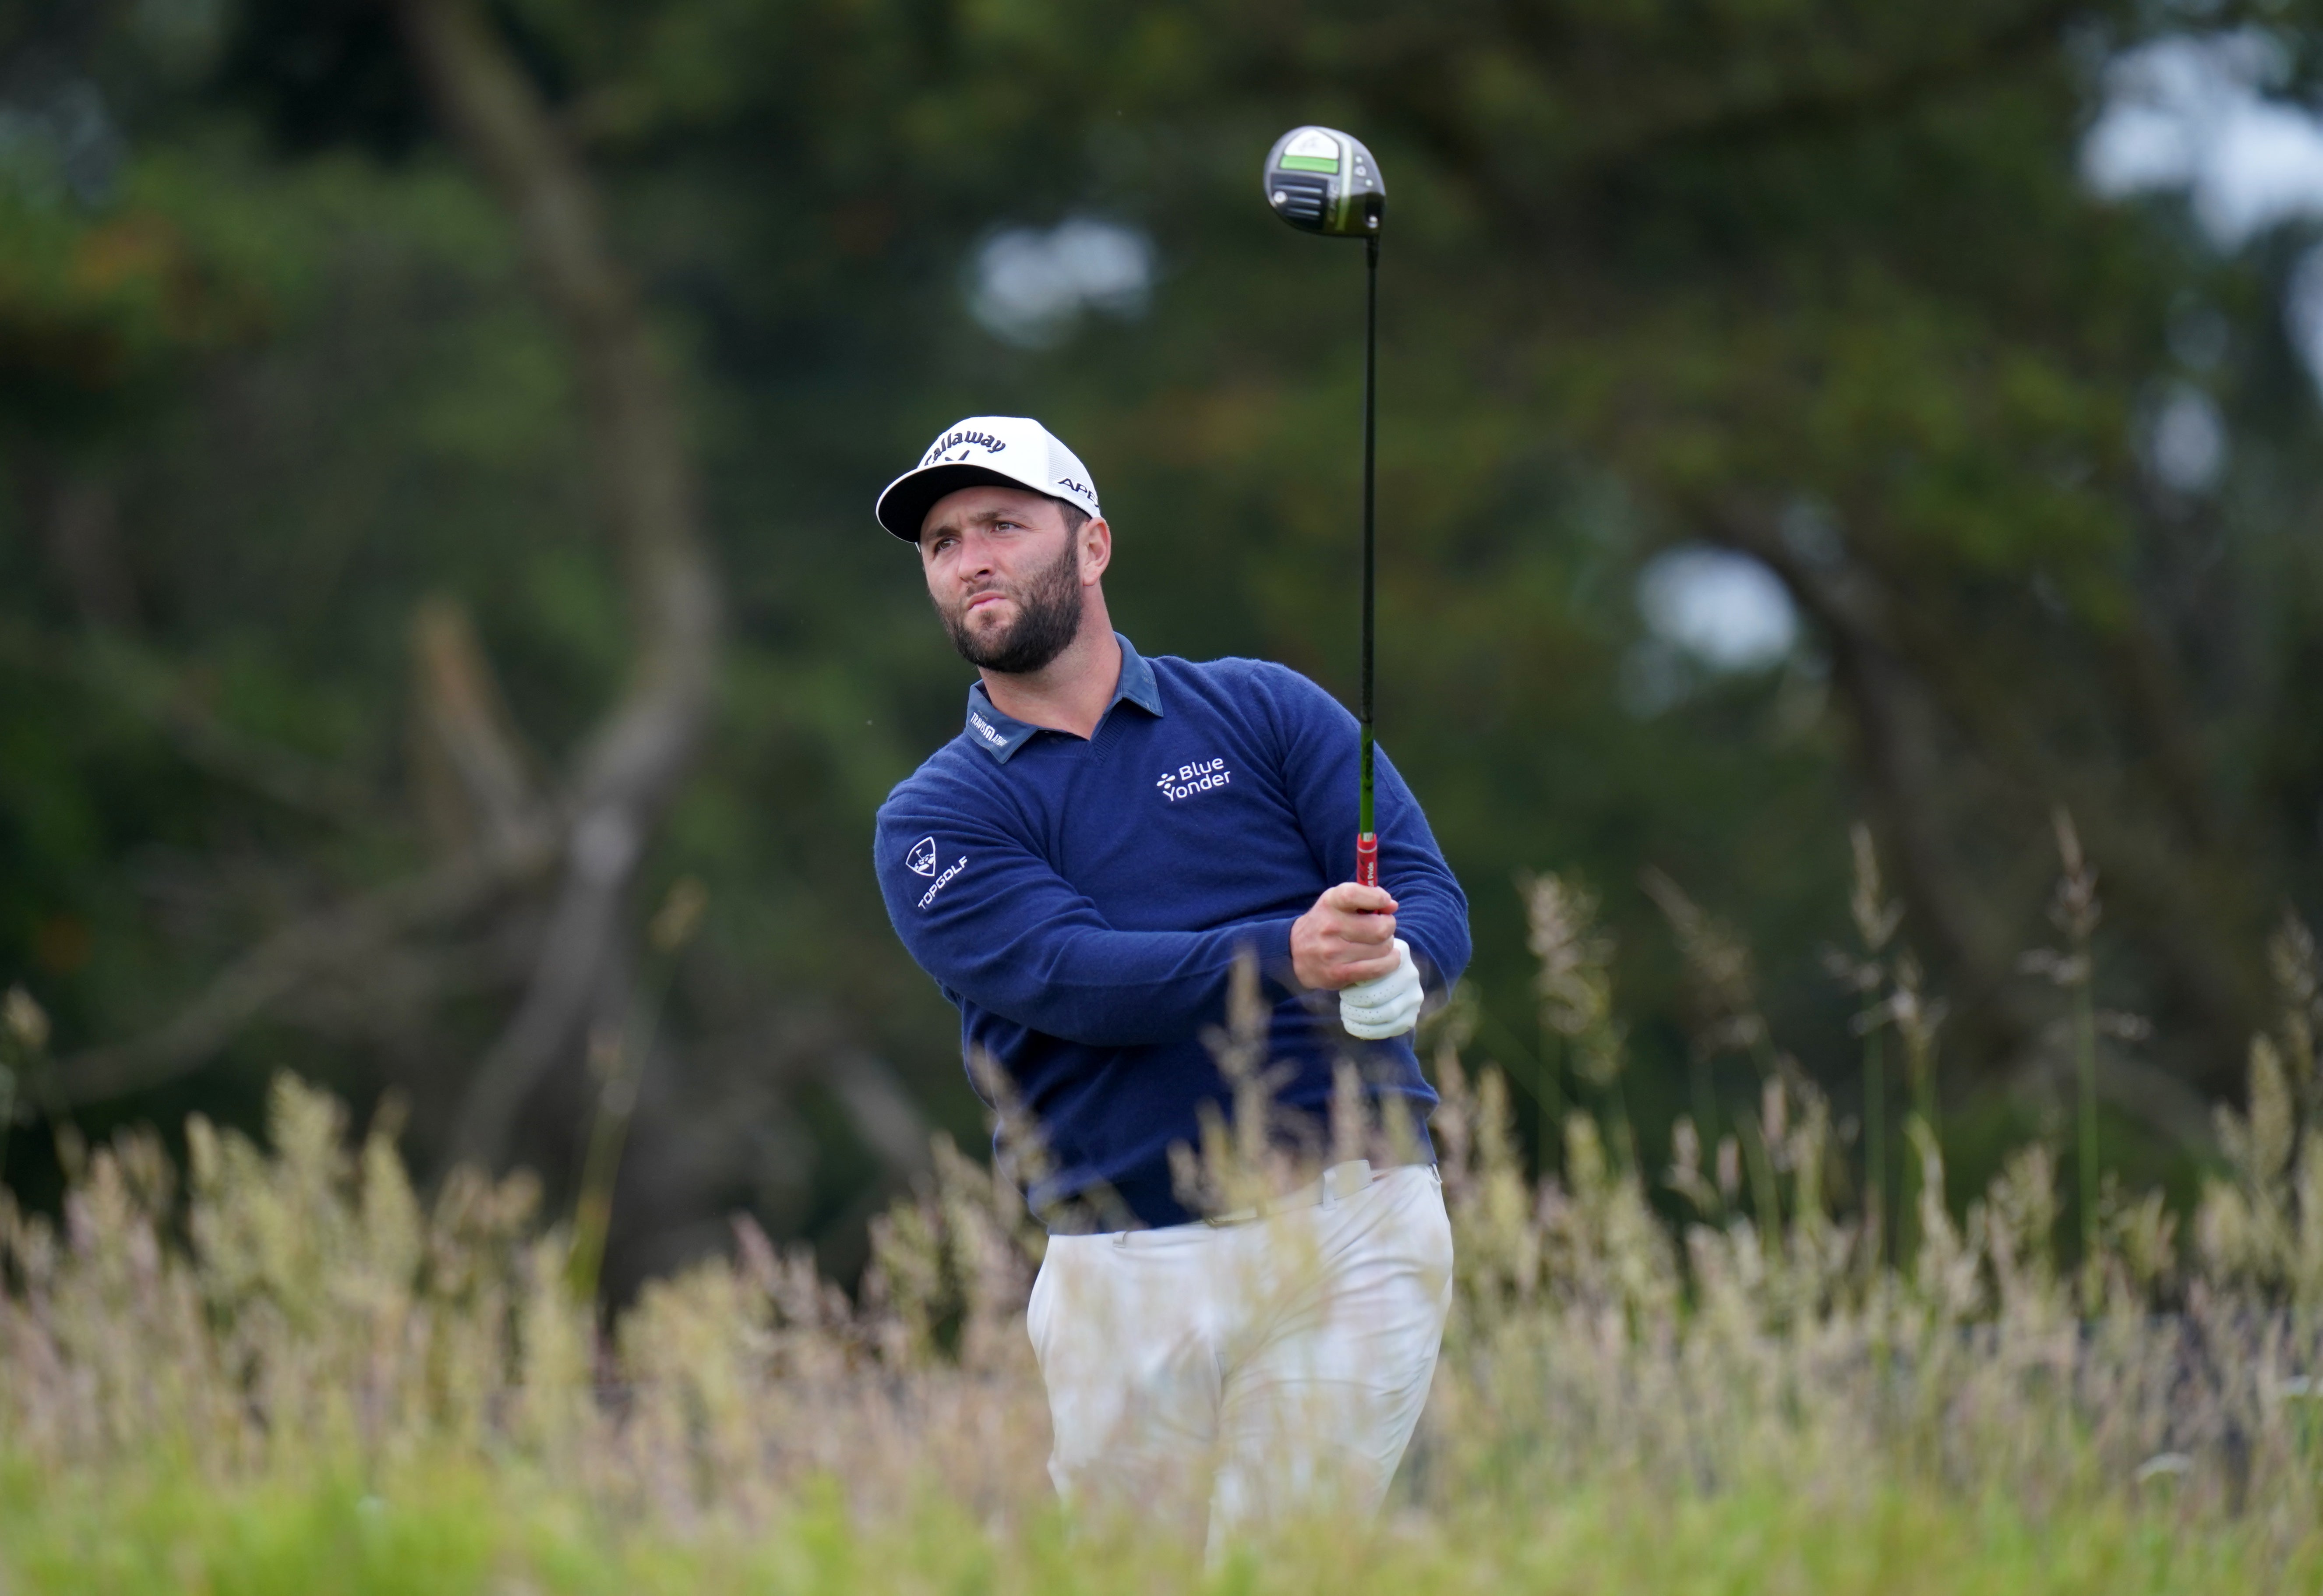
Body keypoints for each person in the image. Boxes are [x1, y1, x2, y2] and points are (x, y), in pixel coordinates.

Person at [869, 415, 1470, 1550]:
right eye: (944, 542)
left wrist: (1406, 964)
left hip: (1353, 1224)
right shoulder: (936, 815)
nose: (972, 557)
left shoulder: (1262, 708)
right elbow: (1069, 973)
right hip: (1123, 1260)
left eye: (1004, 523)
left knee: (1277, 1567)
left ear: (1092, 545)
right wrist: (1287, 955)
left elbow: (1427, 891)